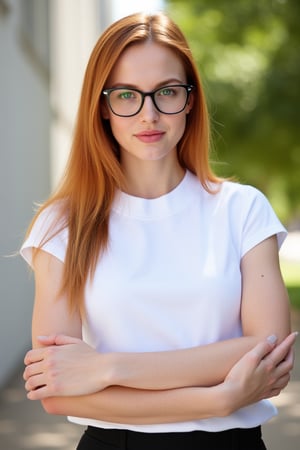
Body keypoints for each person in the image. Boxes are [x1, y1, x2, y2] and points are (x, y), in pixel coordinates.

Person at [21, 11, 296, 450]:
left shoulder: (242, 210)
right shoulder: (63, 225)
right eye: (127, 95)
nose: (149, 115)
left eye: (167, 91)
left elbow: (269, 349)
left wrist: (105, 369)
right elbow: (56, 390)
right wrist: (221, 397)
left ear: (189, 100)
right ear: (102, 106)